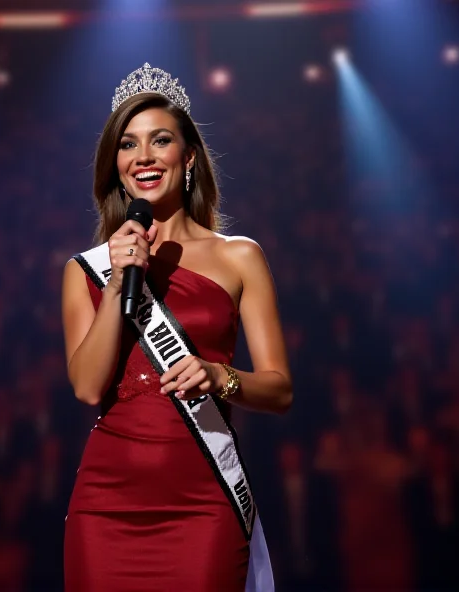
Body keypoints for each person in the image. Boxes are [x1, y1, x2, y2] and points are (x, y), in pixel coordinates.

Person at [61, 63, 292, 591]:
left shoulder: (240, 258)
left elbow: (280, 389)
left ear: (187, 157)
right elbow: (87, 386)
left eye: (159, 141)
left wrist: (219, 375)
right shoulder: (87, 270)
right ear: (115, 165)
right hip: (105, 504)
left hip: (203, 498)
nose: (142, 157)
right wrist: (119, 282)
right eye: (128, 145)